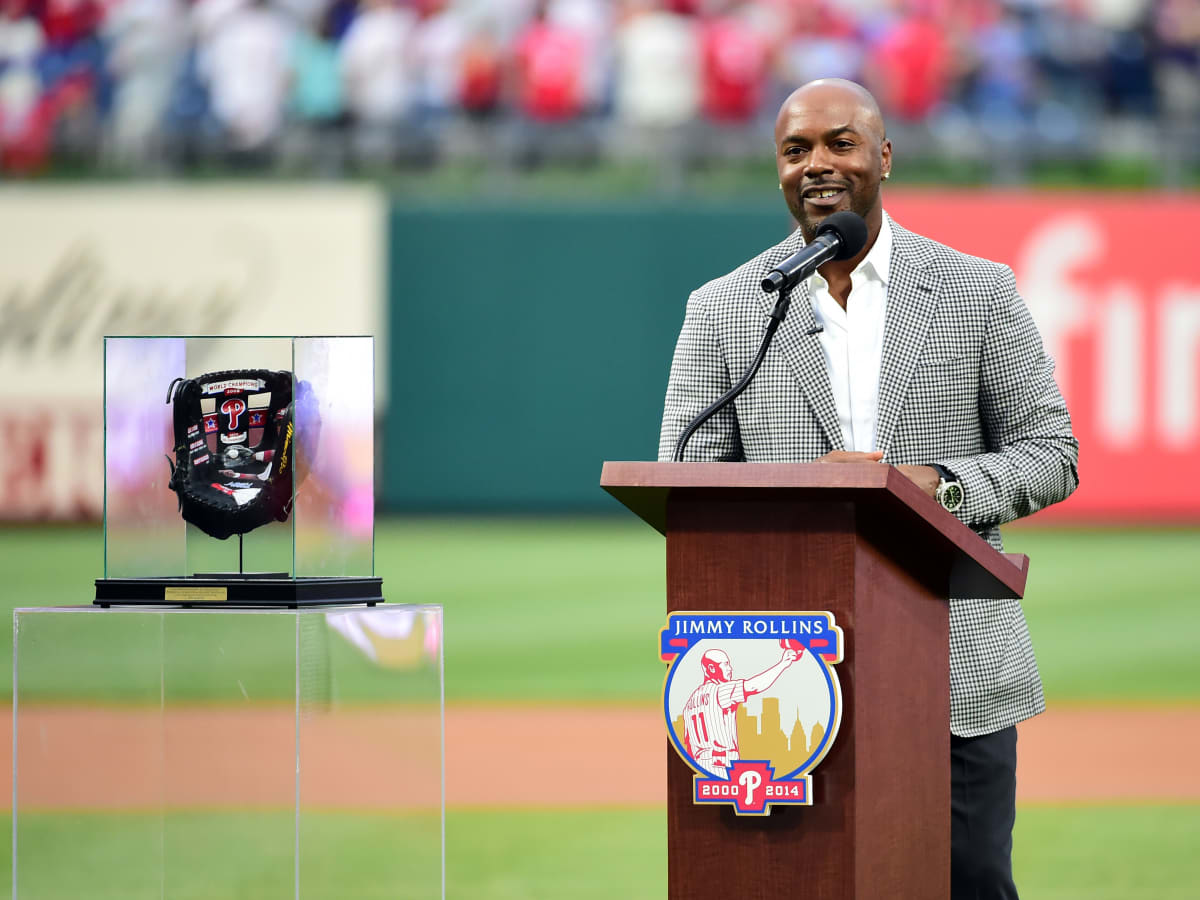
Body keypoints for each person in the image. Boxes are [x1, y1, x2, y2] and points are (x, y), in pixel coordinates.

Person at [657, 78, 1079, 900]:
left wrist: (936, 487)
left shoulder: (978, 291)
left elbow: (1051, 453)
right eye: (794, 149)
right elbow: (687, 477)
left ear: (884, 157)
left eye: (839, 143)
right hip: (781, 675)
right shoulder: (722, 309)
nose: (816, 164)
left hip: (958, 668)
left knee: (970, 882)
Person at [682, 646, 799, 777]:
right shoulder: (719, 691)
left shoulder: (688, 705)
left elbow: (689, 748)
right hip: (721, 765)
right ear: (711, 669)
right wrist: (783, 664)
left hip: (700, 766)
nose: (730, 669)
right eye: (725, 665)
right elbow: (754, 686)